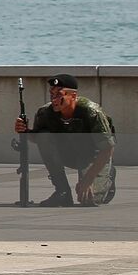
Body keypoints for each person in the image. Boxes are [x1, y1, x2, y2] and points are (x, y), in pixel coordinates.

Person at [15, 73, 116, 207]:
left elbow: (108, 148)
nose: (54, 100)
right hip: (69, 153)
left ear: (73, 96)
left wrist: (88, 179)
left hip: (93, 156)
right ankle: (62, 191)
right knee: (44, 135)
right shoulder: (45, 113)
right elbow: (38, 138)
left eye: (59, 95)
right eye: (52, 95)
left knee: (88, 199)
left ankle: (107, 180)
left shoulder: (91, 112)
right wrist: (25, 131)